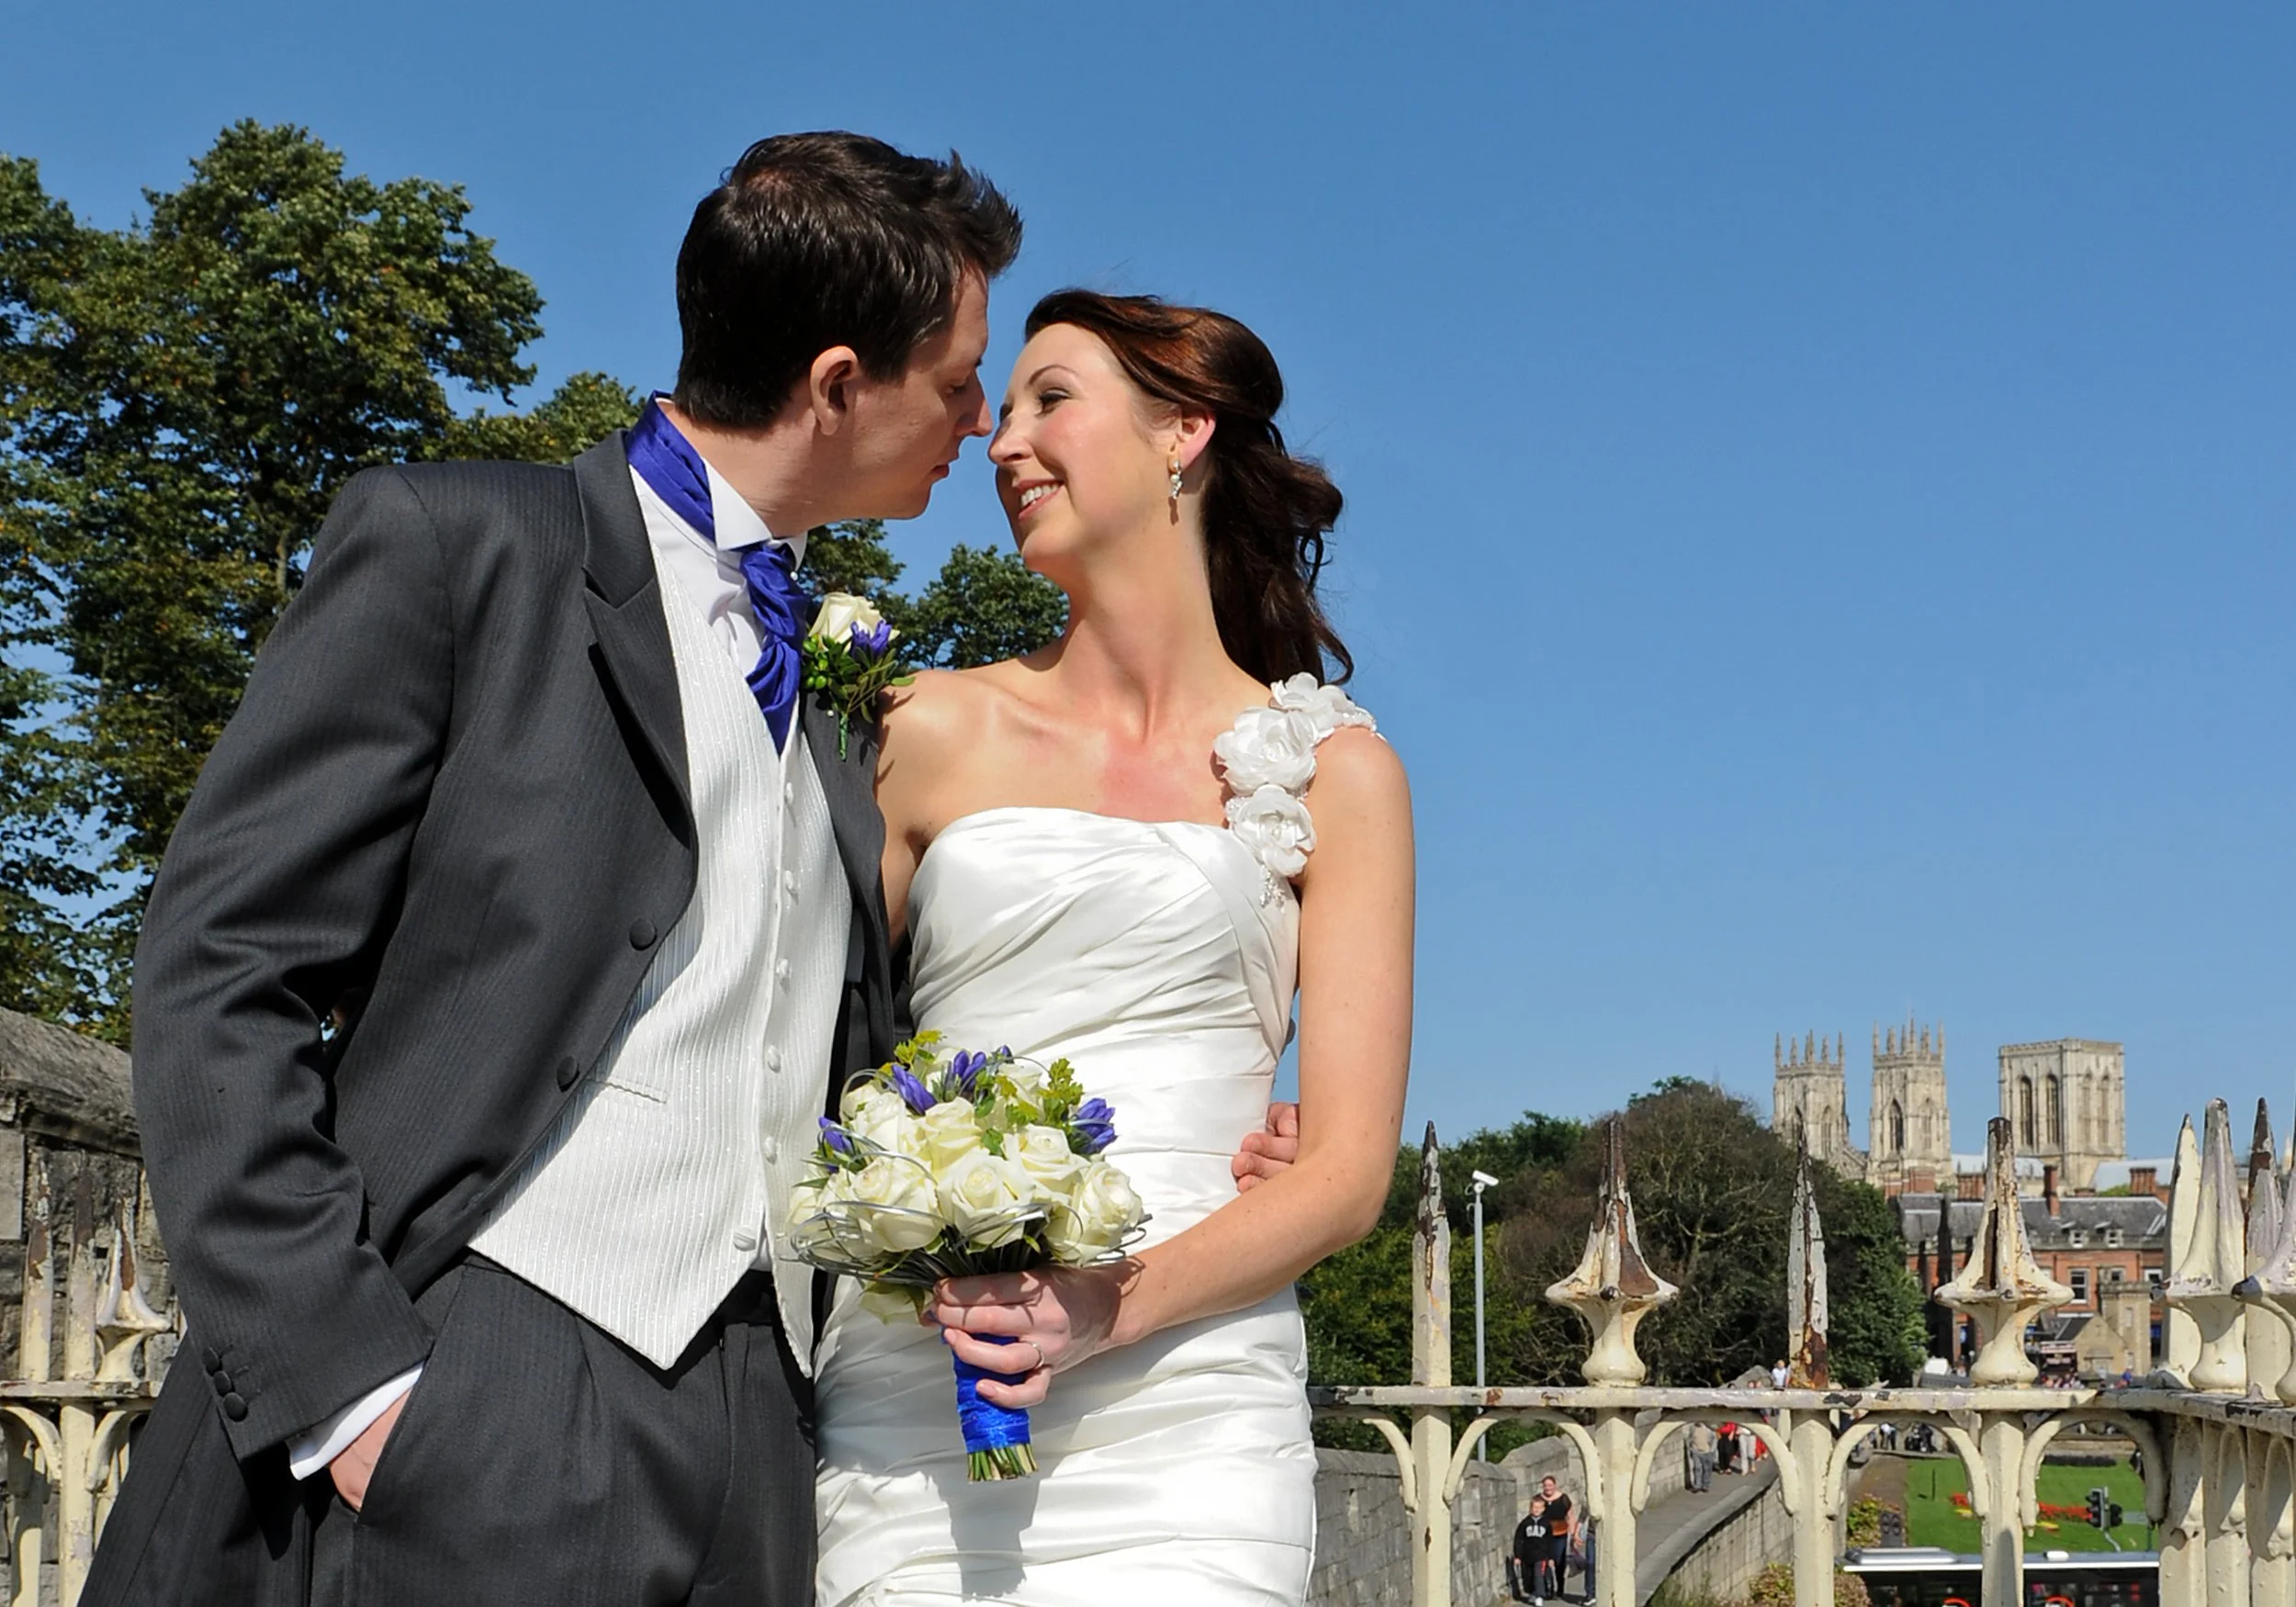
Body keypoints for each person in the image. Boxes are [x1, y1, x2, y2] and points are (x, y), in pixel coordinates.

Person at [84, 136, 1299, 1607]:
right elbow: (221, 970)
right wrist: (354, 1393)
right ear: (842, 383)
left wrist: (1219, 1108)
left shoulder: (859, 705)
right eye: (963, 374)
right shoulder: (467, 549)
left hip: (778, 1429)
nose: (982, 424)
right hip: (489, 1374)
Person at [812, 291, 1415, 1605]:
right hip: (927, 1387)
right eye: (1003, 407)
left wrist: (1109, 1305)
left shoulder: (1338, 774)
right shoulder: (915, 728)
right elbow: (806, 1044)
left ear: (1179, 433)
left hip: (1196, 1410)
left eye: (1050, 398)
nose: (1001, 441)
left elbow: (1350, 1173)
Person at [1536, 1475, 1577, 1601]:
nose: (1548, 1488)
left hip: (1560, 1534)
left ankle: (1560, 1587)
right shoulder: (1538, 1499)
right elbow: (1533, 1513)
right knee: (1545, 1561)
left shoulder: (1563, 1499)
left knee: (1559, 1561)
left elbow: (1570, 1515)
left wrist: (1573, 1531)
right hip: (1544, 1535)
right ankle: (1549, 1588)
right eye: (1545, 1486)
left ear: (1554, 1486)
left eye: (1550, 1485)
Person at [1513, 1497, 1550, 1602]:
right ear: (1530, 1508)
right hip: (1527, 1555)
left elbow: (1550, 1540)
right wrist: (1518, 1555)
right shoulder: (1525, 1523)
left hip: (1541, 1555)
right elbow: (1518, 1539)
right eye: (1534, 1507)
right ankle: (1532, 1592)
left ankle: (1539, 1595)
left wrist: (1550, 1556)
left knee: (1539, 1574)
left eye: (1539, 1508)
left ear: (1543, 1509)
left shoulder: (1546, 1523)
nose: (1536, 1510)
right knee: (1528, 1576)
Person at [1686, 1422, 1717, 1493]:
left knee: (1707, 1469)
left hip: (1707, 1451)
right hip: (1696, 1451)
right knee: (1697, 1468)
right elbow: (1689, 1438)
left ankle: (1705, 1486)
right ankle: (1697, 1486)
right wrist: (1691, 1448)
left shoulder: (1709, 1428)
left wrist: (1712, 1450)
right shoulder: (1693, 1427)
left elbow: (1715, 1439)